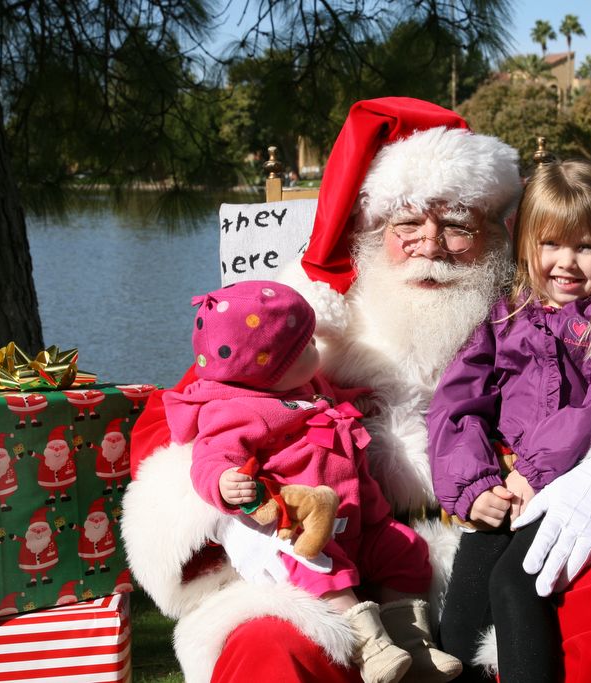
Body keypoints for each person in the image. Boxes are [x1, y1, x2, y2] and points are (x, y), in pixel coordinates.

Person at [122, 97, 591, 683]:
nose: (431, 245)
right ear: (369, 229)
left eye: (457, 225)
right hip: (337, 563)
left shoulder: (550, 308)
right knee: (266, 646)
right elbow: (182, 419)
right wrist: (233, 511)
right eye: (407, 223)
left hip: (514, 530)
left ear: (500, 235)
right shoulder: (307, 318)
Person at [428, 160, 591, 682]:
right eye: (550, 245)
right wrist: (474, 484)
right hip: (509, 480)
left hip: (571, 482)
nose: (566, 263)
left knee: (516, 587)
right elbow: (457, 402)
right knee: (462, 610)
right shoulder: (507, 312)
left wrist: (536, 471)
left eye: (586, 247)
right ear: (525, 243)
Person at [163, 280, 460, 683]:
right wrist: (223, 481)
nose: (316, 353)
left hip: (360, 515)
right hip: (304, 528)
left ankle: (413, 642)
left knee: (405, 551)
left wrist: (360, 399)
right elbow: (211, 456)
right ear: (265, 369)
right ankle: (370, 648)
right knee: (326, 573)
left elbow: (330, 396)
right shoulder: (235, 411)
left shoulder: (306, 384)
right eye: (303, 349)